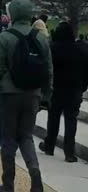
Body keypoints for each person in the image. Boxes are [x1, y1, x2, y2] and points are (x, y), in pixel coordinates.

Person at [0, 0, 53, 192]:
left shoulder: (6, 37)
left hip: (10, 93)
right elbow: (49, 69)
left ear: (13, 14)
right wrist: (46, 94)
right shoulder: (41, 38)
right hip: (33, 93)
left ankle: (8, 184)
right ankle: (34, 172)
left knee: (8, 138)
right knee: (26, 136)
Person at [39, 22, 88, 163]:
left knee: (53, 117)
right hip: (75, 89)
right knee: (71, 120)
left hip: (57, 88)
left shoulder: (54, 48)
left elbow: (47, 69)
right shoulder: (81, 49)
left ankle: (49, 145)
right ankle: (69, 152)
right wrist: (83, 86)